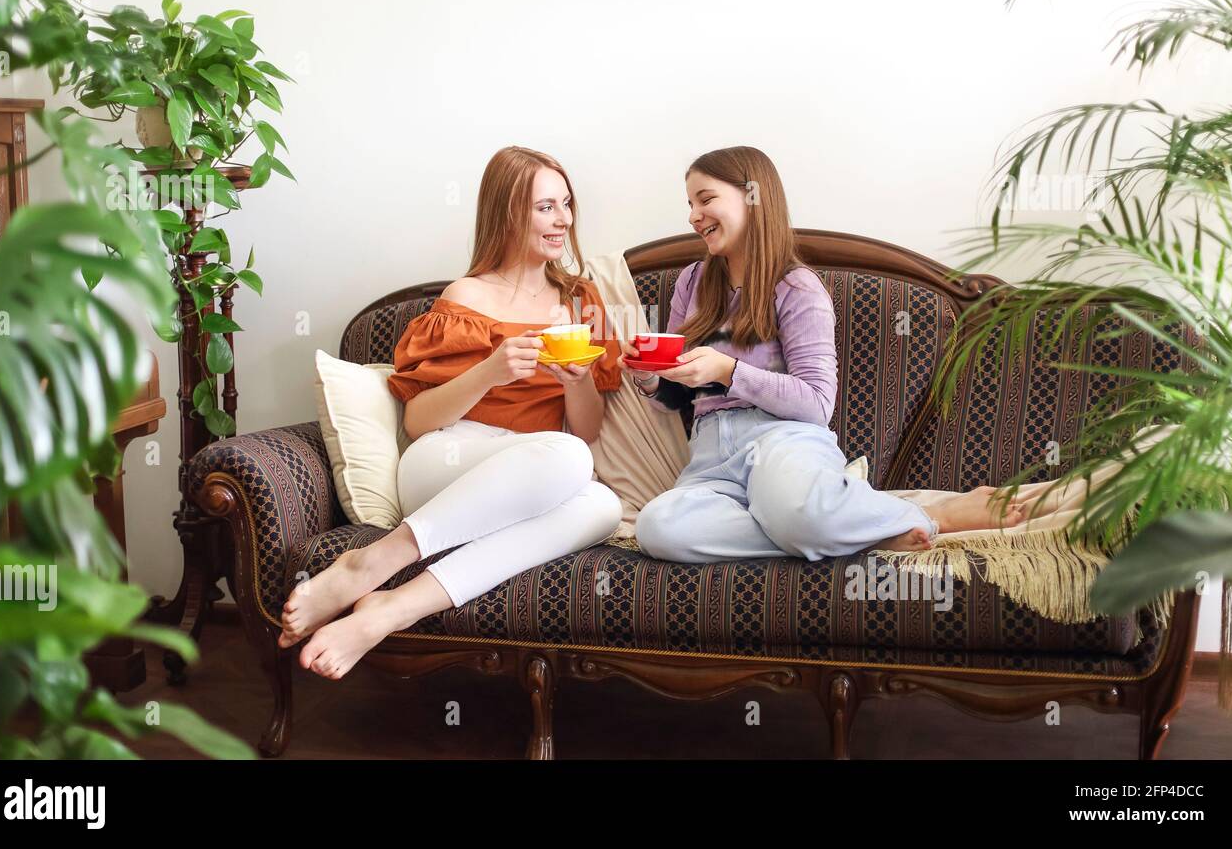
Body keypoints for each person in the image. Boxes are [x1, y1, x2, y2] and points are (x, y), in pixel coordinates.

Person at [281, 146, 623, 679]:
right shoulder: (467, 297)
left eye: (566, 204)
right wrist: (491, 369)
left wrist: (577, 384)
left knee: (601, 505)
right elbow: (418, 421)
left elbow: (589, 429)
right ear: (508, 213)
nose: (564, 220)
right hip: (447, 461)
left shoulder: (582, 302)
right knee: (571, 460)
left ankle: (391, 607)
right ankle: (378, 558)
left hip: (535, 476)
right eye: (545, 208)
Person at [626, 146, 1031, 562]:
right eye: (690, 203)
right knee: (659, 529)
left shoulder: (797, 287)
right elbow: (677, 397)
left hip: (782, 442)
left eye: (706, 199)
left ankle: (927, 515)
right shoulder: (691, 282)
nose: (694, 215)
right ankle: (852, 525)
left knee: (796, 510)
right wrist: (650, 377)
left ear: (753, 197)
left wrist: (731, 371)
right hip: (712, 456)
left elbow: (818, 403)